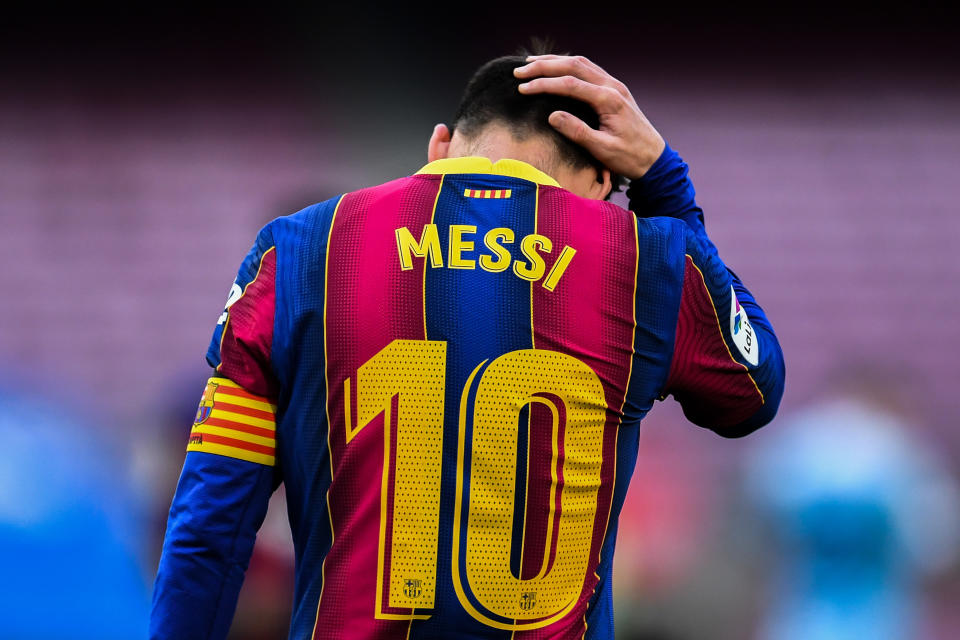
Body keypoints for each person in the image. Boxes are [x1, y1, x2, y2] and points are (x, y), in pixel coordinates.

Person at [150, 52, 785, 639]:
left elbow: (210, 526)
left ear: (440, 146)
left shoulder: (298, 249)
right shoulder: (647, 261)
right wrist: (662, 182)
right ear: (600, 183)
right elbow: (752, 393)